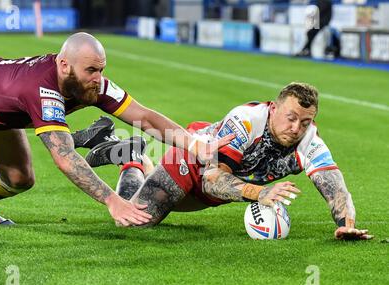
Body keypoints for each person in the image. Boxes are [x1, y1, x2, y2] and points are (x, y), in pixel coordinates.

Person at [0, 32, 232, 227]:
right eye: (91, 71)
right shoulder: (42, 90)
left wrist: (193, 144)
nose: (98, 78)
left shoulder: (89, 84)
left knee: (19, 178)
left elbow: (143, 116)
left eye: (101, 69)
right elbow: (65, 157)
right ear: (65, 66)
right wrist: (112, 201)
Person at [84, 82, 373, 240]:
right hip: (196, 162)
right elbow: (211, 181)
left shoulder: (310, 142)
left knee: (159, 207)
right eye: (291, 118)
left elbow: (335, 187)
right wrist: (261, 193)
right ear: (273, 109)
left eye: (305, 121)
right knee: (134, 222)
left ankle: (136, 154)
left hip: (228, 187)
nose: (296, 128)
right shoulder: (247, 122)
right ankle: (130, 158)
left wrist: (345, 223)